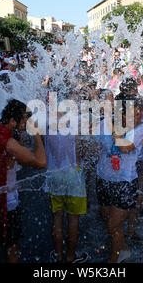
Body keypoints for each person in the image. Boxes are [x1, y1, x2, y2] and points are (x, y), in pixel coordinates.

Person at [0, 99, 47, 263]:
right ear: (12, 121)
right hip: (6, 203)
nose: (25, 126)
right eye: (23, 122)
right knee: (12, 247)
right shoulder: (8, 143)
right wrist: (36, 133)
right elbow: (41, 162)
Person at [95, 94, 143, 263]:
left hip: (125, 183)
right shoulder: (105, 123)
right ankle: (122, 248)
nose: (139, 116)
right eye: (134, 113)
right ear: (122, 114)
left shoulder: (141, 128)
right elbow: (95, 145)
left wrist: (110, 122)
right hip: (103, 179)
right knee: (108, 222)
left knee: (113, 225)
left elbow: (124, 148)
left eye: (140, 112)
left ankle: (113, 260)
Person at [44, 109, 90, 263]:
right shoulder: (76, 127)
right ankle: (70, 256)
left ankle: (58, 256)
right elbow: (84, 152)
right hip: (73, 176)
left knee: (57, 216)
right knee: (73, 219)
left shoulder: (47, 127)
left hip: (54, 175)